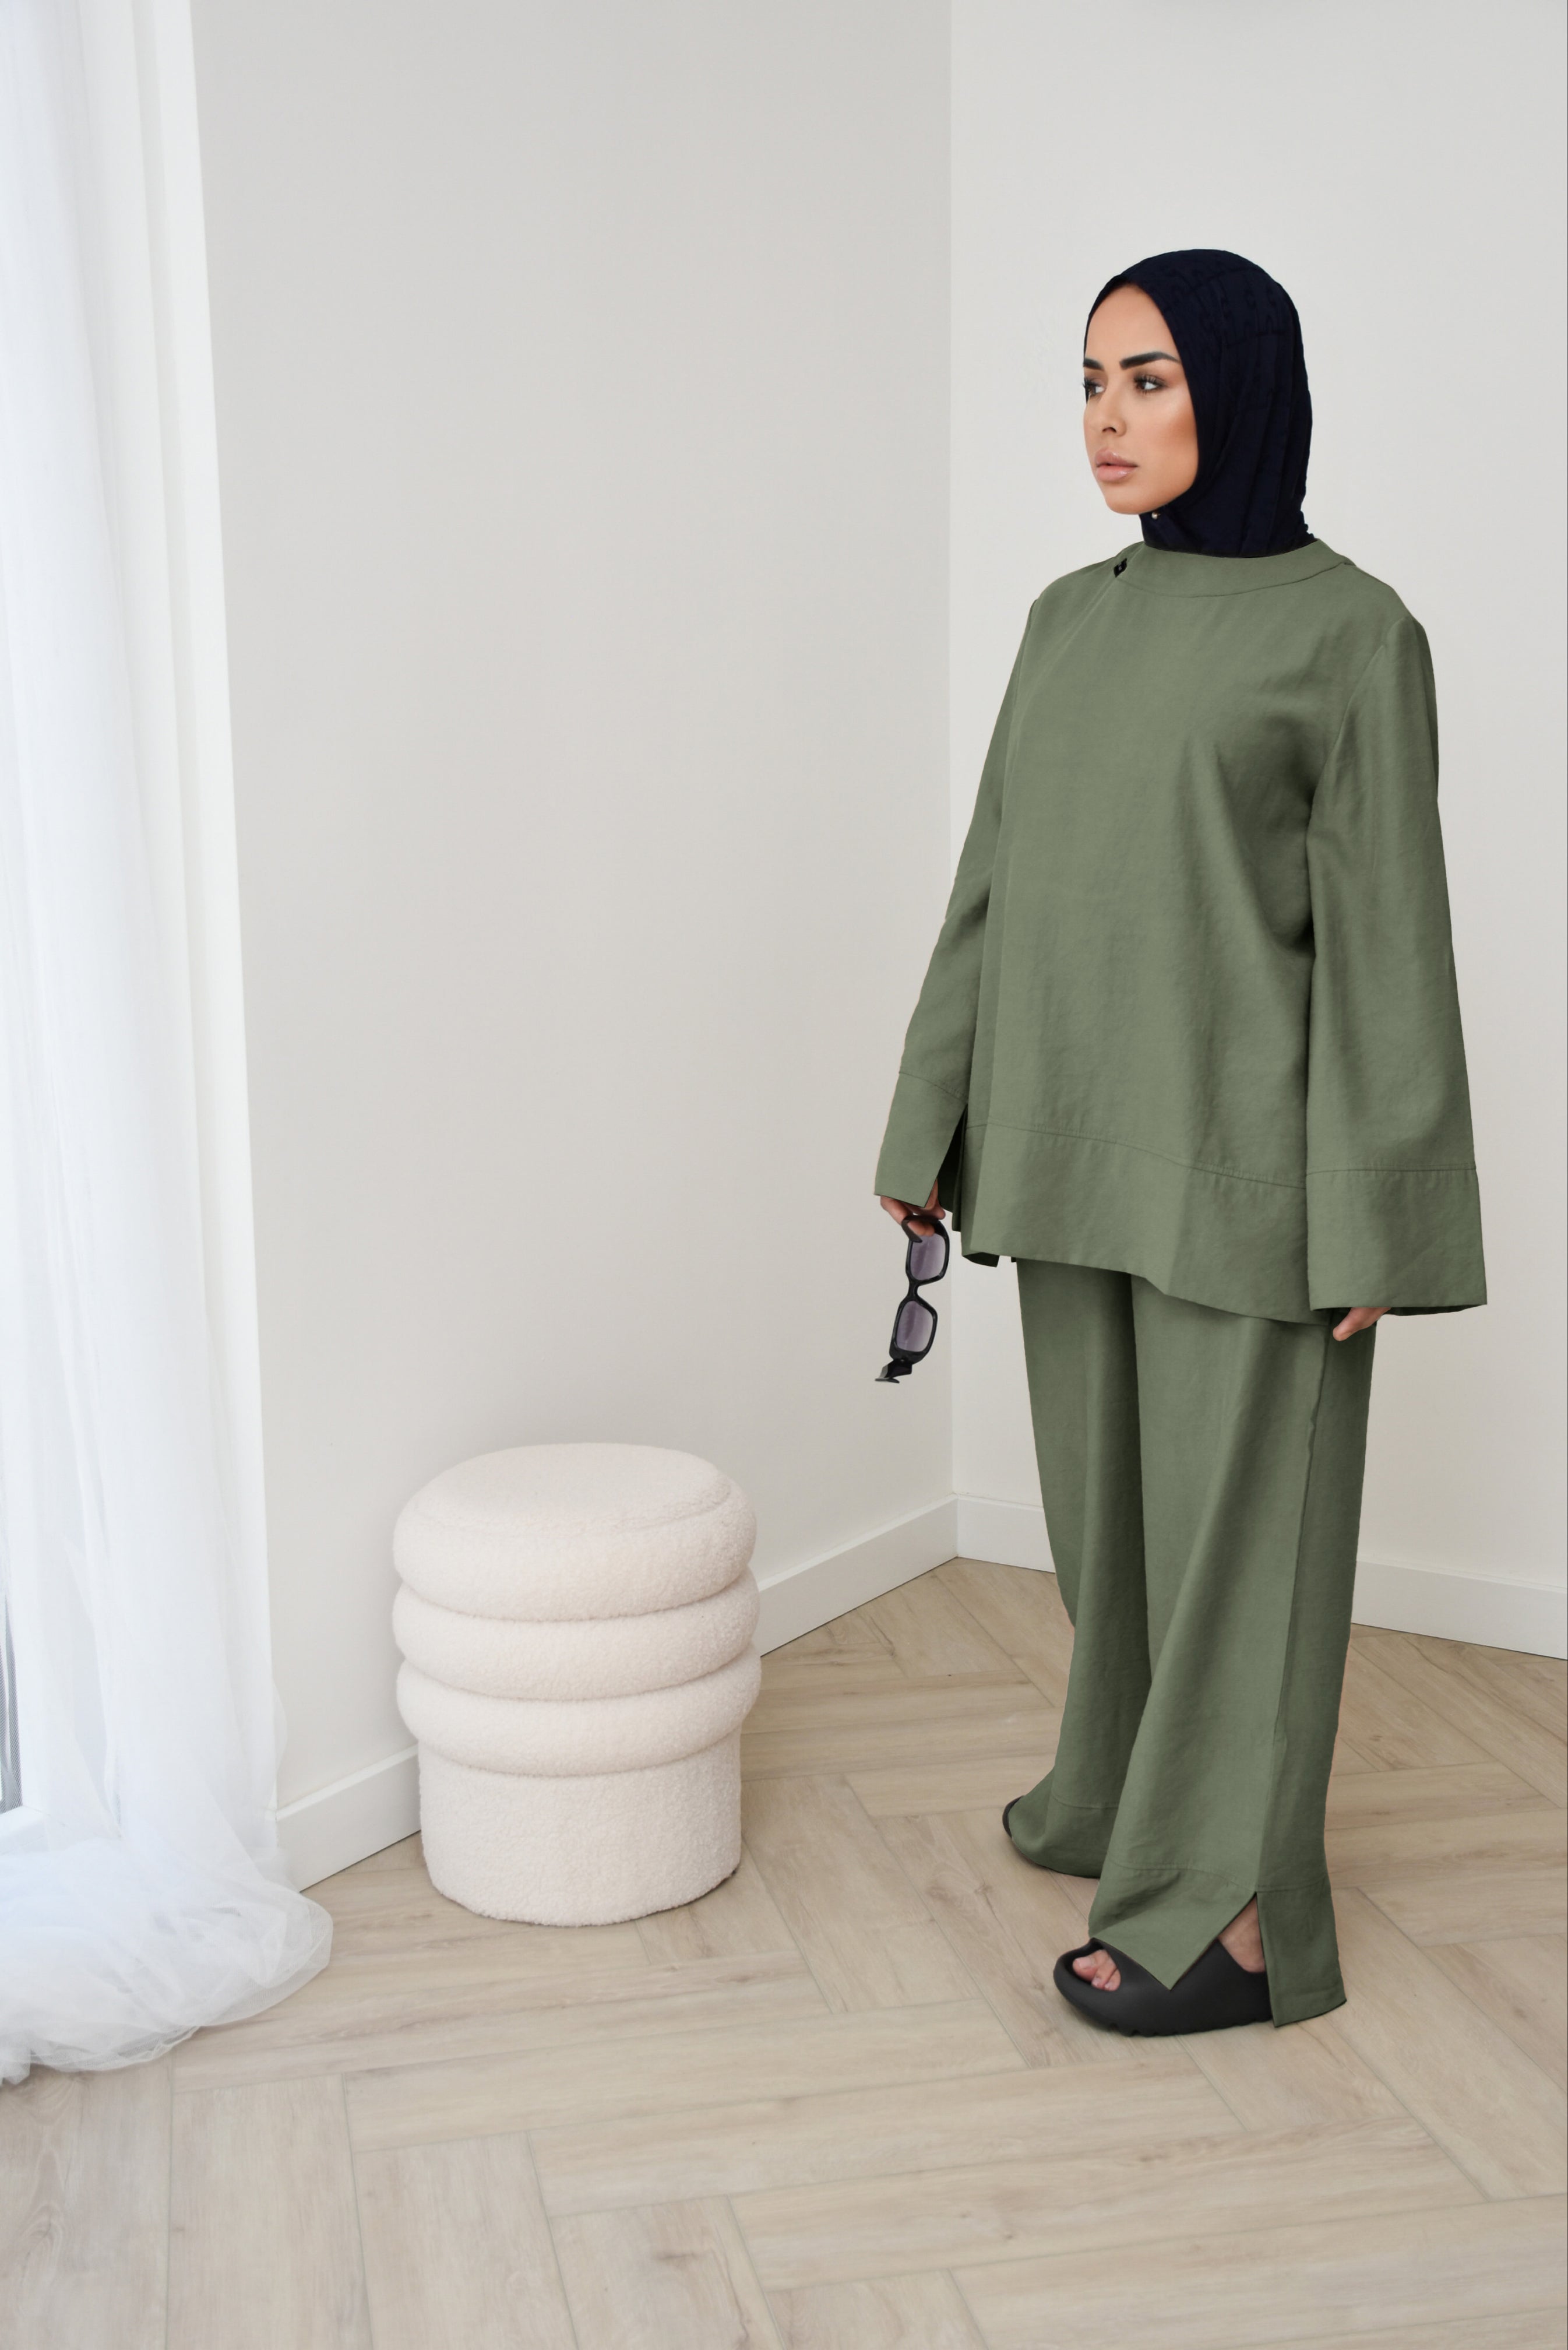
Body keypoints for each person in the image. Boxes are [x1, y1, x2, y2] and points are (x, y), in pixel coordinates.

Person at [873, 248, 1485, 2036]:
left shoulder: (1350, 633)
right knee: (1112, 1543)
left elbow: (1386, 941)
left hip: (1251, 1179)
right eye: (1088, 382)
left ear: (1238, 386)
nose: (1106, 420)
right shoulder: (1066, 619)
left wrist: (1376, 1219)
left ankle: (1230, 1920)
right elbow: (992, 885)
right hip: (1063, 1144)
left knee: (1241, 1568)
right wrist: (929, 1115)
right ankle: (1118, 1799)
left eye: (1146, 379)